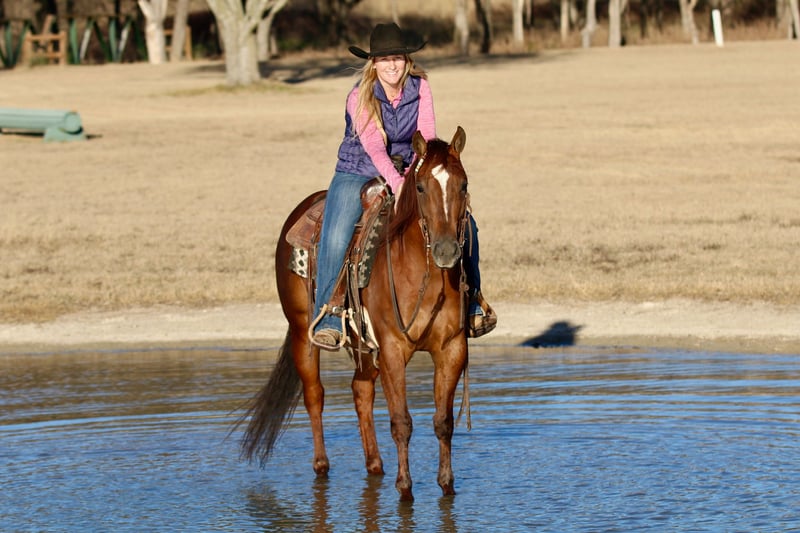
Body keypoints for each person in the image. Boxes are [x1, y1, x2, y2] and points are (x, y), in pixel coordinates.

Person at [311, 22, 496, 350]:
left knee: (468, 224)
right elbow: (374, 148)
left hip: (413, 168)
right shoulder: (359, 96)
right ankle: (329, 315)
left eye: (397, 58)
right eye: (384, 59)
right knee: (337, 234)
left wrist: (414, 178)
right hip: (358, 170)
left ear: (407, 60)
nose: (392, 65)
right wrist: (399, 187)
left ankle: (473, 302)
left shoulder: (421, 87)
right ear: (373, 63)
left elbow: (426, 138)